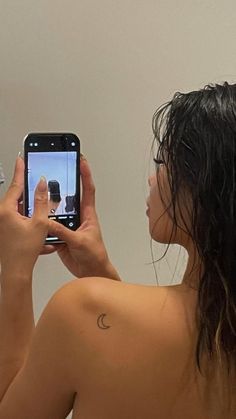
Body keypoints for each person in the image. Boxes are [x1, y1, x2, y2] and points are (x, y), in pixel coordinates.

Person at [0, 82, 235, 419]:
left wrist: (15, 270)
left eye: (162, 162)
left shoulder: (80, 308)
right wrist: (103, 274)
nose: (153, 179)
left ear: (204, 187)